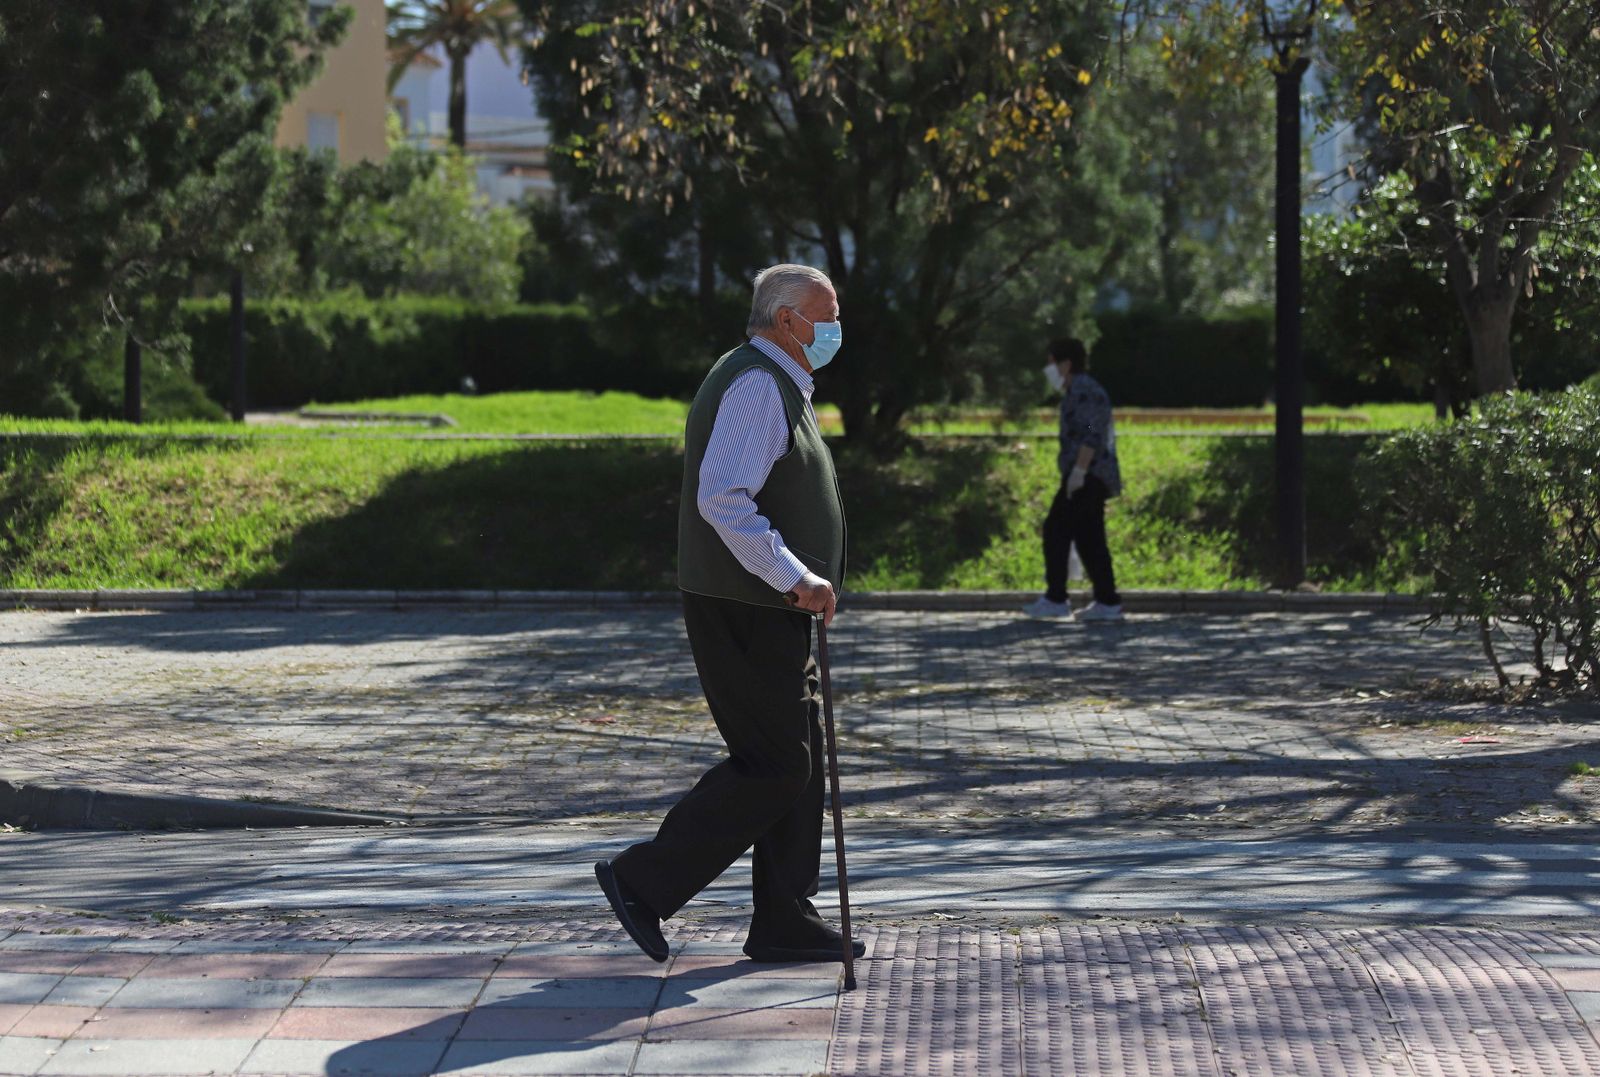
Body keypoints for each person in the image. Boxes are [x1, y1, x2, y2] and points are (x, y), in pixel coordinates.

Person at [594, 263, 863, 965]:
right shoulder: (755, 384)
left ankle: (783, 915)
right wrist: (796, 575)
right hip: (745, 603)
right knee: (776, 762)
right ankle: (642, 881)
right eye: (823, 317)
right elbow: (724, 497)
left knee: (797, 757)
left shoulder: (777, 381)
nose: (834, 330)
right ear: (785, 321)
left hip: (766, 604)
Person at [1024, 336, 1124, 622]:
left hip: (1088, 474)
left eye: (1052, 363)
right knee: (1089, 537)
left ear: (1066, 364)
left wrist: (1079, 471)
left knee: (1056, 529)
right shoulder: (1075, 391)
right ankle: (1107, 601)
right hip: (1084, 474)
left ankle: (1056, 598)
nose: (1049, 370)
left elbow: (1092, 430)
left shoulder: (1085, 391)